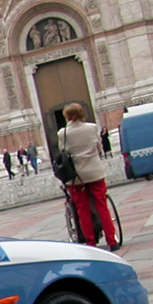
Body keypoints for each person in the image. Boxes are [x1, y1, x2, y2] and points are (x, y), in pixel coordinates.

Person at [57, 104, 119, 250]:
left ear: (66, 116)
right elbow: (99, 148)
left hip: (76, 177)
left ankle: (90, 242)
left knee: (82, 209)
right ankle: (111, 240)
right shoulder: (92, 127)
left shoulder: (63, 133)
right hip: (95, 173)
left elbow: (63, 152)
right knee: (102, 206)